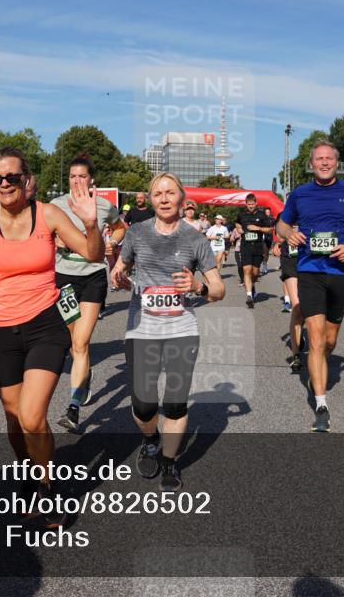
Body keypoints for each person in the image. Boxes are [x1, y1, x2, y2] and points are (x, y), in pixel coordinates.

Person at [0, 147, 102, 525]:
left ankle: (47, 487)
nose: (4, 184)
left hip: (44, 325)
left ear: (26, 178)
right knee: (14, 419)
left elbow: (93, 254)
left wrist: (91, 223)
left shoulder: (48, 214)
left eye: (12, 178)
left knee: (33, 418)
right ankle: (30, 475)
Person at [111, 172, 225, 491]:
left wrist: (198, 287)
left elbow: (218, 290)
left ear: (181, 199)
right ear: (150, 199)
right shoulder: (136, 233)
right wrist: (118, 275)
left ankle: (170, 461)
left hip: (181, 328)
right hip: (142, 328)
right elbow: (120, 267)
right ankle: (151, 438)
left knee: (175, 403)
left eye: (170, 193)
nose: (164, 198)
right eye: (158, 193)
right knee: (143, 404)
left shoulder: (195, 239)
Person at [277, 140, 344, 432]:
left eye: (329, 159)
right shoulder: (300, 194)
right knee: (317, 339)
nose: (324, 163)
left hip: (340, 273)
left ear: (336, 163)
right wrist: (288, 234)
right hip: (310, 271)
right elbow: (282, 224)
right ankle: (321, 405)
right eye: (319, 159)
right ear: (311, 164)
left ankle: (318, 367)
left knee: (330, 341)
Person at [52, 154, 127, 432]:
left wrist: (112, 243)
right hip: (64, 277)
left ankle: (72, 409)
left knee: (81, 343)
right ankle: (85, 373)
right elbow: (43, 234)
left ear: (91, 179)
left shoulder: (103, 205)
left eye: (82, 176)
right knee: (74, 343)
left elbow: (120, 228)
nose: (77, 181)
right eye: (72, 176)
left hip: (93, 276)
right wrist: (55, 240)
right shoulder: (56, 205)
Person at [272, 218, 304, 374]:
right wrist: (277, 243)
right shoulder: (286, 214)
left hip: (311, 259)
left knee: (311, 307)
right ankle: (296, 355)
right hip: (290, 259)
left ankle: (300, 333)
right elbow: (278, 233)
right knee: (297, 306)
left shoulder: (314, 210)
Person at [235, 193, 274, 308]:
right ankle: (249, 296)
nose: (250, 206)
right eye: (249, 204)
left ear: (256, 203)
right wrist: (239, 228)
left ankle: (252, 286)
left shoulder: (262, 215)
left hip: (257, 246)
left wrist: (258, 228)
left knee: (255, 273)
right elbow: (237, 223)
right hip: (245, 246)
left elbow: (270, 229)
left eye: (252, 204)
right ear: (246, 204)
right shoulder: (241, 214)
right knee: (247, 270)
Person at [261, 207, 274, 276]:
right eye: (266, 212)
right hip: (262, 236)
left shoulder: (272, 219)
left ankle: (265, 265)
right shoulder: (262, 219)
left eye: (268, 212)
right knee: (263, 252)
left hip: (269, 237)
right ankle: (263, 264)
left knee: (266, 252)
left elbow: (274, 227)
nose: (267, 213)